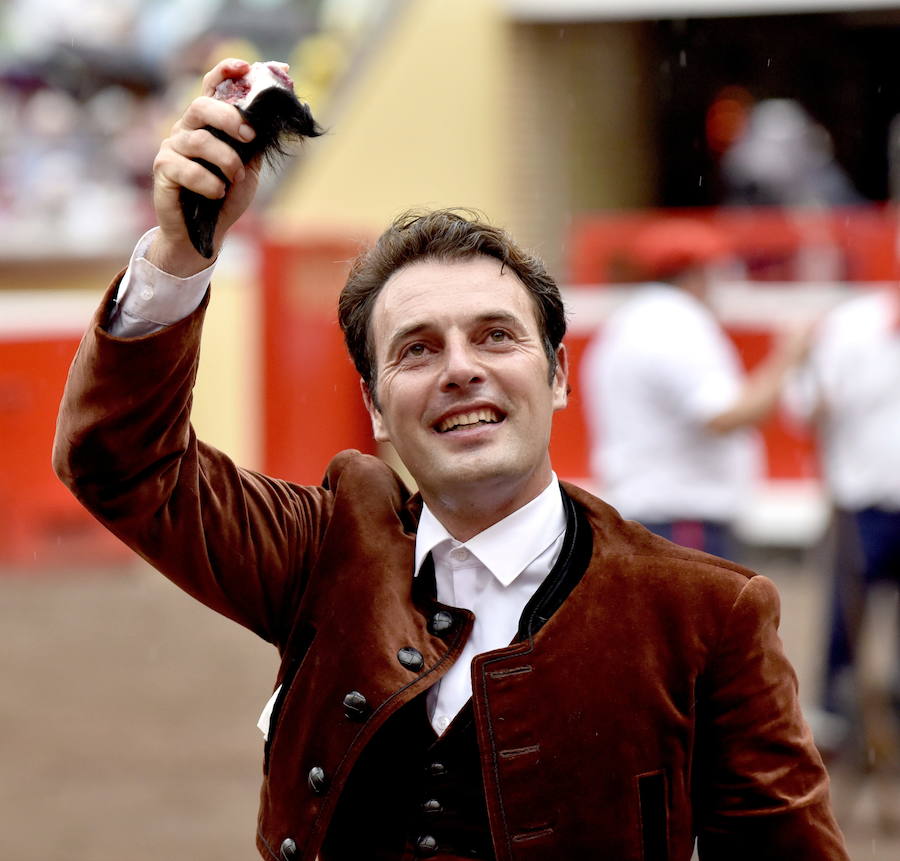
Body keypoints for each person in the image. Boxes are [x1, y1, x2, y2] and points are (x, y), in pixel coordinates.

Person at [53, 59, 848, 861]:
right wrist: (181, 254)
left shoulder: (707, 615)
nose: (461, 367)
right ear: (375, 408)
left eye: (496, 335)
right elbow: (121, 462)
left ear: (559, 375)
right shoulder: (328, 549)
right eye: (418, 348)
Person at [581, 218, 810, 560]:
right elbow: (725, 416)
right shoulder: (675, 322)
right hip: (683, 518)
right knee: (699, 614)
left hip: (654, 512)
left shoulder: (632, 320)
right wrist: (787, 357)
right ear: (697, 273)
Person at [784, 282, 900, 752]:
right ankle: (836, 721)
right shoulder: (853, 324)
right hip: (860, 500)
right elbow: (803, 403)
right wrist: (819, 398)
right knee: (844, 618)